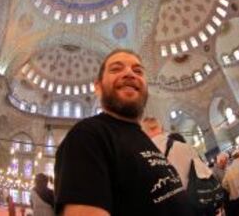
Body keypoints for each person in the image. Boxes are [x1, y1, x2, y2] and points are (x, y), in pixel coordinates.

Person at [55, 49, 194, 216]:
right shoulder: (87, 136)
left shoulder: (142, 136)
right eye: (116, 69)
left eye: (138, 71)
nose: (129, 73)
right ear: (98, 87)